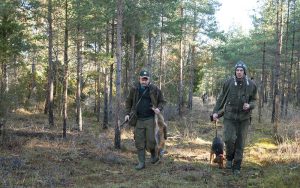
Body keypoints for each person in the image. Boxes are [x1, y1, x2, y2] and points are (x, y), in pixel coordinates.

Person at [212, 61, 257, 176]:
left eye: (241, 70)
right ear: (235, 71)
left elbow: (254, 100)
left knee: (240, 142)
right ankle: (229, 158)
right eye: (237, 70)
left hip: (244, 118)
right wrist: (215, 112)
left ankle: (237, 165)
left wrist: (249, 105)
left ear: (244, 72)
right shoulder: (229, 83)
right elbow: (221, 98)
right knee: (228, 139)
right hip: (229, 117)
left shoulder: (251, 84)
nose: (239, 72)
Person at [125, 70, 166, 170]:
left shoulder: (154, 89)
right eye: (142, 79)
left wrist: (158, 109)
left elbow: (162, 101)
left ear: (149, 79)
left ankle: (153, 154)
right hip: (138, 119)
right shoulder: (134, 89)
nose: (144, 81)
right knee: (139, 141)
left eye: (146, 79)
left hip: (151, 119)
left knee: (151, 141)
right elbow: (128, 102)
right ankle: (141, 163)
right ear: (139, 79)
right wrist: (127, 114)